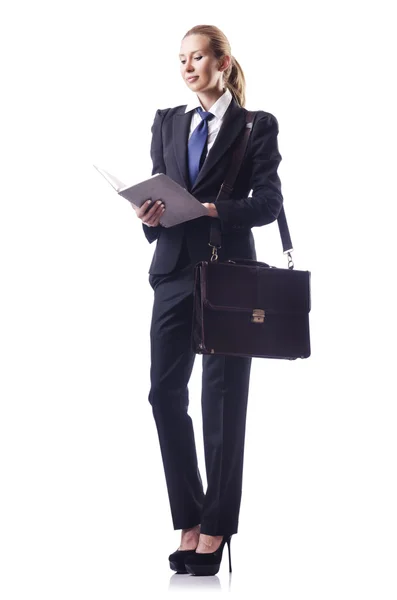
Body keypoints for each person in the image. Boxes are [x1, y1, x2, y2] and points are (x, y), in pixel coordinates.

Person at [132, 24, 283, 576]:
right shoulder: (167, 121)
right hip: (173, 270)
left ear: (222, 62)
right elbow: (160, 190)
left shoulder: (254, 125)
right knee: (163, 395)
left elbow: (267, 203)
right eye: (181, 59)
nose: (188, 66)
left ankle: (216, 527)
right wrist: (150, 213)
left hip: (229, 277)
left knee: (223, 403)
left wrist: (215, 209)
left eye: (197, 57)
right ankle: (189, 517)